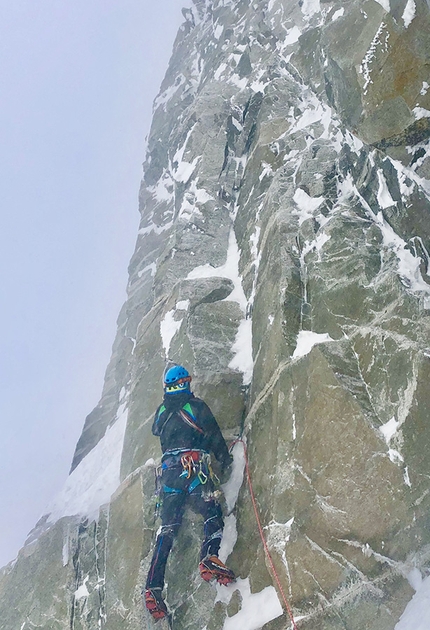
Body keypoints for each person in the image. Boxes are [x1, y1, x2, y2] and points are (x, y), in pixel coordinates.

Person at [144, 364, 235, 621]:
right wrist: (225, 460)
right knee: (210, 510)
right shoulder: (196, 407)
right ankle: (209, 557)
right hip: (193, 468)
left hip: (169, 475)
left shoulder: (161, 412)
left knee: (168, 528)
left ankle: (153, 586)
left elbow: (157, 430)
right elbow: (215, 436)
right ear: (186, 383)